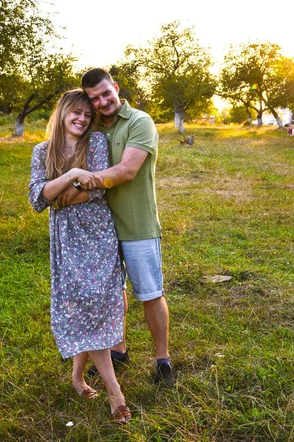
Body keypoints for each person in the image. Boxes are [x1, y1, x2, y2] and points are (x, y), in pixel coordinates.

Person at [61, 68, 176, 387]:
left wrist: (77, 185)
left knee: (150, 293)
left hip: (137, 224)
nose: (102, 102)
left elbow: (126, 171)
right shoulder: (92, 124)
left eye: (105, 93)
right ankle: (118, 349)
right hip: (99, 229)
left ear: (116, 87)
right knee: (112, 295)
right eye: (94, 98)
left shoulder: (140, 121)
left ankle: (162, 359)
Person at [29, 89, 131, 424]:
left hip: (98, 233)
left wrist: (58, 193)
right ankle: (114, 394)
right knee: (79, 304)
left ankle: (82, 379)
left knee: (95, 302)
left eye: (87, 115)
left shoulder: (97, 143)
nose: (82, 119)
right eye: (76, 112)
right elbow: (35, 199)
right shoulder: (42, 151)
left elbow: (98, 187)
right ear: (62, 113)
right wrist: (73, 176)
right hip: (66, 239)